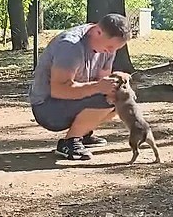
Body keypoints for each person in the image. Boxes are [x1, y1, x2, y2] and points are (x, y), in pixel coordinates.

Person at [28, 13, 132, 160]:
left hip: (70, 100)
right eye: (110, 46)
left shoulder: (108, 48)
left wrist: (117, 81)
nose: (110, 51)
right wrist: (99, 87)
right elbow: (58, 90)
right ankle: (70, 143)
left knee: (120, 96)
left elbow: (103, 81)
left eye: (115, 48)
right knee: (105, 99)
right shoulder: (70, 46)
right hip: (47, 107)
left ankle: (83, 131)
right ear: (98, 31)